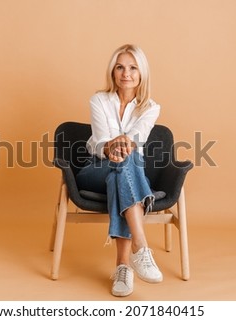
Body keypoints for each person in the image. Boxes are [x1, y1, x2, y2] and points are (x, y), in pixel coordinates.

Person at [75, 44, 162, 297]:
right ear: (113, 72)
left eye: (133, 68)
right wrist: (114, 147)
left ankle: (123, 267)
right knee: (124, 163)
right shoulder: (99, 100)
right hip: (95, 170)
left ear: (142, 73)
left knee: (123, 169)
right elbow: (102, 140)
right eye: (120, 67)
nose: (126, 73)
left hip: (124, 172)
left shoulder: (151, 107)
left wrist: (122, 146)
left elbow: (137, 138)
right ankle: (140, 246)